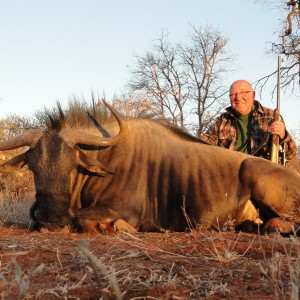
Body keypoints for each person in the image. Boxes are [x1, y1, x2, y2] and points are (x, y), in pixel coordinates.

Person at [200, 79, 297, 162]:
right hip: (230, 175)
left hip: (262, 177)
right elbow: (206, 144)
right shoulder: (223, 119)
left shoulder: (271, 116)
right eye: (233, 94)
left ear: (253, 95)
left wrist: (283, 135)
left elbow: (290, 155)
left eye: (243, 92)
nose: (238, 98)